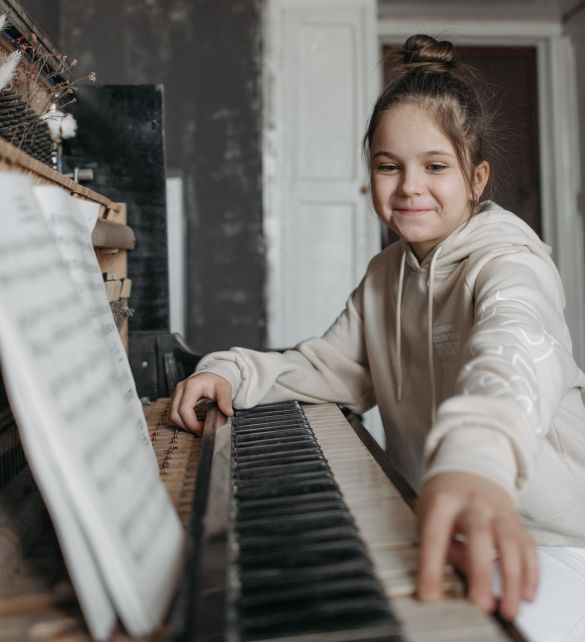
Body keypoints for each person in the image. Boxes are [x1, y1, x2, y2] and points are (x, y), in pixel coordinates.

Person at [170, 34, 585, 641]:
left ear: (477, 179)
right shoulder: (385, 274)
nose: (409, 186)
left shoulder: (511, 265)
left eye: (436, 167)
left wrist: (475, 461)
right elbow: (330, 368)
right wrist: (231, 371)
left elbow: (513, 356)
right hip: (444, 524)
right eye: (389, 166)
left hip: (548, 540)